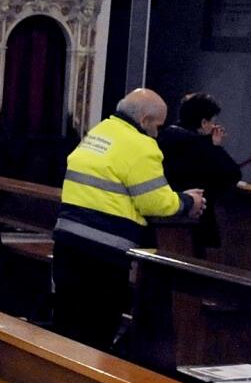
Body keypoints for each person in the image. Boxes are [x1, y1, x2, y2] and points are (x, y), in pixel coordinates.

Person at [52, 88, 207, 351]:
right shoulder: (141, 146)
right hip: (102, 254)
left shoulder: (99, 132)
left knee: (67, 328)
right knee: (96, 335)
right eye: (157, 126)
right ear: (145, 120)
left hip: (67, 244)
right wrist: (188, 201)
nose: (158, 133)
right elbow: (155, 202)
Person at [160, 92, 242, 251]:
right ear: (204, 122)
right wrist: (216, 147)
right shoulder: (197, 145)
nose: (214, 126)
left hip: (165, 216)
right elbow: (232, 173)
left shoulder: (164, 135)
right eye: (212, 121)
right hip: (192, 222)